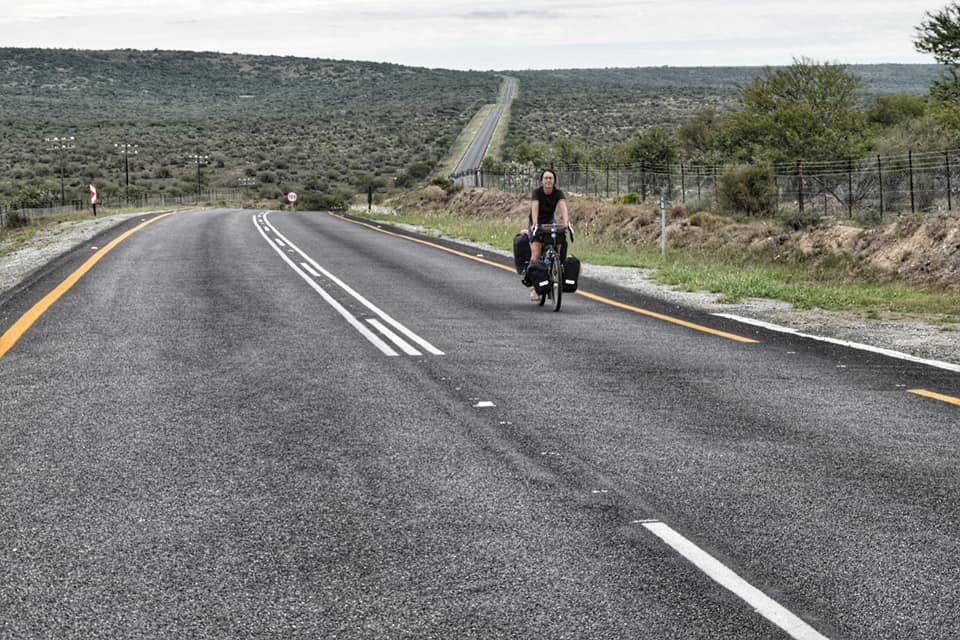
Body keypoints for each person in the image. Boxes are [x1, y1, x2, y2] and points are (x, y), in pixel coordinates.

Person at [527, 169, 569, 300]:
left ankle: (555, 270)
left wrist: (566, 222)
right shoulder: (537, 193)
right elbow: (535, 206)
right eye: (546, 178)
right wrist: (535, 224)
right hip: (537, 222)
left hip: (550, 222)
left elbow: (563, 207)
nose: (548, 180)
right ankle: (534, 288)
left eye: (551, 178)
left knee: (558, 245)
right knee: (536, 253)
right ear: (542, 181)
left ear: (554, 180)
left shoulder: (558, 193)